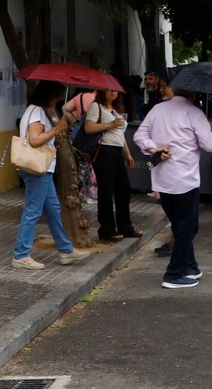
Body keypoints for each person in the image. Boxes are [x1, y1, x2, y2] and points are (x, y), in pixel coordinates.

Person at [135, 85, 212, 289]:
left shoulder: (157, 109)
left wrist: (153, 147)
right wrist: (207, 126)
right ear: (194, 92)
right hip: (184, 178)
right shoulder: (195, 113)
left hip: (163, 179)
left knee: (181, 224)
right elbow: (210, 145)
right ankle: (174, 273)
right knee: (187, 227)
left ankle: (190, 265)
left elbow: (139, 136)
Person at [12, 81, 90, 270]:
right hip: (38, 170)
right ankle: (21, 254)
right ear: (48, 95)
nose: (57, 101)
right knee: (33, 211)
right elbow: (35, 139)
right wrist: (56, 129)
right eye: (56, 96)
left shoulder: (35, 110)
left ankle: (65, 249)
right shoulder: (37, 112)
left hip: (44, 170)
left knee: (53, 210)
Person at [85, 88, 139, 240]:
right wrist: (111, 124)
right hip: (104, 151)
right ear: (102, 92)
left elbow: (120, 135)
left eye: (116, 90)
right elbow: (89, 127)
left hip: (117, 151)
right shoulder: (96, 107)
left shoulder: (115, 110)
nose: (113, 92)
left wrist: (127, 154)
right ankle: (107, 229)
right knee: (106, 190)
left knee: (124, 189)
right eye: (109, 90)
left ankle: (125, 226)